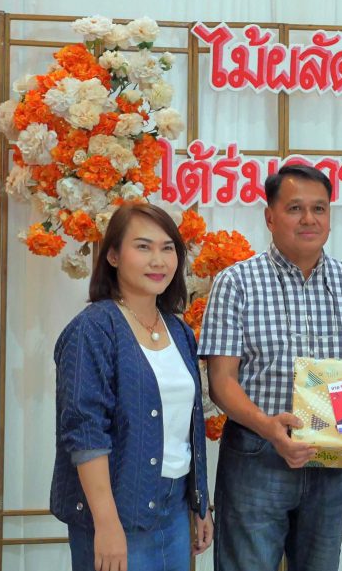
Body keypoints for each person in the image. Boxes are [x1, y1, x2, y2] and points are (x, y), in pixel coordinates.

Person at [198, 163, 342, 571]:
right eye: (295, 208)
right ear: (270, 217)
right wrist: (270, 428)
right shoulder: (236, 283)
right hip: (257, 454)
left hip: (330, 461)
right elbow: (221, 382)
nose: (309, 219)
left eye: (319, 209)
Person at [51, 203, 213, 571]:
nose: (158, 260)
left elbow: (186, 428)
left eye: (167, 248)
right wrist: (107, 524)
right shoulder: (93, 329)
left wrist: (199, 504)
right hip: (117, 511)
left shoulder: (179, 331)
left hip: (174, 511)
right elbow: (86, 433)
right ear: (113, 255)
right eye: (143, 247)